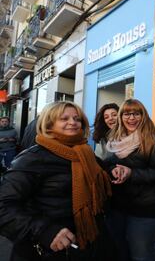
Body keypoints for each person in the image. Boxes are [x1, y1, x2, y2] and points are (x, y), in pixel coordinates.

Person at [0, 102, 115, 261]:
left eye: (76, 118)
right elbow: (4, 207)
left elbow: (101, 173)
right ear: (49, 123)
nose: (73, 122)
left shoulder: (84, 152)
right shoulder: (32, 158)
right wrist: (44, 231)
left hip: (87, 244)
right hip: (47, 250)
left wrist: (115, 169)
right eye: (64, 118)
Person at [104, 99, 155, 261]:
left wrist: (131, 174)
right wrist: (113, 170)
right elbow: (107, 164)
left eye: (136, 113)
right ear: (121, 117)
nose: (131, 118)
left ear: (143, 116)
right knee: (120, 250)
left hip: (146, 209)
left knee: (140, 254)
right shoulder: (115, 138)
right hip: (119, 206)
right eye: (127, 114)